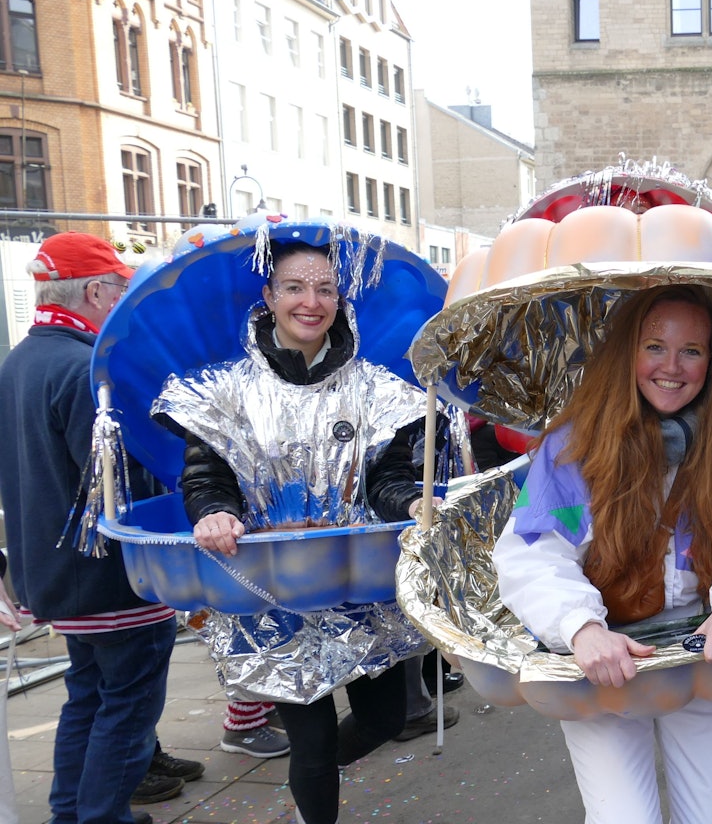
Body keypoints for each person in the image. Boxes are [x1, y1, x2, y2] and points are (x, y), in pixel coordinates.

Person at [494, 284, 712, 824]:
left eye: (692, 350)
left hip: (703, 653)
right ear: (628, 352)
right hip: (605, 660)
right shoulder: (576, 447)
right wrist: (580, 627)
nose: (672, 366)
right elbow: (533, 552)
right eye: (654, 346)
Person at [153, 236, 437, 824]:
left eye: (325, 288)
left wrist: (410, 502)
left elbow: (388, 480)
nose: (311, 301)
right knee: (308, 740)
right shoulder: (224, 391)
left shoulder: (377, 391)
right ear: (269, 296)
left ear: (340, 298)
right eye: (294, 287)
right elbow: (206, 479)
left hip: (361, 589)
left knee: (386, 718)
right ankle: (316, 792)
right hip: (270, 590)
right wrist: (213, 512)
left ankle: (322, 766)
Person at [0, 232, 183, 824]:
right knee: (126, 709)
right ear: (97, 290)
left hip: (54, 574)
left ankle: (72, 815)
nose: (122, 299)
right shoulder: (85, 366)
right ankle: (100, 817)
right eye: (120, 288)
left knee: (86, 698)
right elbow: (116, 484)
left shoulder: (21, 360)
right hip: (107, 577)